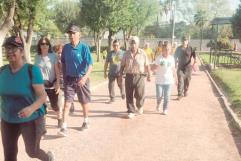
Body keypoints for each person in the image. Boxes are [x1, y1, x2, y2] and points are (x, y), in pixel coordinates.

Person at [0, 36, 54, 161]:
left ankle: (48, 158)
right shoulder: (2, 72)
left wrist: (31, 108)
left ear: (22, 52)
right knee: (9, 155)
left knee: (32, 151)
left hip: (30, 119)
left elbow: (42, 96)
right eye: (7, 48)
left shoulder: (32, 70)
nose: (9, 51)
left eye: (14, 48)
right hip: (8, 119)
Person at [58, 25, 93, 136]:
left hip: (82, 79)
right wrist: (64, 77)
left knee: (84, 102)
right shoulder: (66, 48)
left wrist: (84, 78)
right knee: (67, 103)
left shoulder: (84, 47)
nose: (71, 35)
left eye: (73, 33)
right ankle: (64, 127)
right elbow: (63, 63)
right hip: (69, 79)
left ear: (79, 34)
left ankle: (86, 121)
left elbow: (90, 65)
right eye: (70, 33)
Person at [119, 36, 151, 119]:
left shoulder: (143, 53)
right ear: (130, 44)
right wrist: (120, 76)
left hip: (139, 76)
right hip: (129, 76)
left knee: (140, 94)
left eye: (135, 43)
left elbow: (147, 65)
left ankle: (140, 106)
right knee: (129, 94)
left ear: (138, 44)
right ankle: (131, 111)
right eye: (131, 43)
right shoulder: (126, 53)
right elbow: (122, 65)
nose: (133, 45)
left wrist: (149, 75)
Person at [35, 37, 61, 127]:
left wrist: (58, 83)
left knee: (54, 105)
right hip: (41, 85)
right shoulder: (37, 56)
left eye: (46, 44)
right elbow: (36, 71)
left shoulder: (53, 55)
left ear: (49, 45)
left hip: (52, 85)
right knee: (43, 106)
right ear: (40, 45)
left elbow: (57, 71)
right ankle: (43, 125)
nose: (44, 45)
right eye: (42, 44)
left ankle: (59, 118)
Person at [151, 41, 176, 115]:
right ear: (162, 50)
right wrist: (150, 71)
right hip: (159, 81)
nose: (167, 51)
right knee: (159, 96)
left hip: (168, 81)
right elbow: (154, 67)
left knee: (167, 96)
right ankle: (158, 104)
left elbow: (173, 69)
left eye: (168, 49)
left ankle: (165, 109)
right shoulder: (159, 58)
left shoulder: (171, 58)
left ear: (170, 50)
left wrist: (176, 78)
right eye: (165, 49)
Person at [53, 44, 75, 115]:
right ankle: (60, 111)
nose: (59, 54)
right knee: (60, 96)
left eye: (61, 52)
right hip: (60, 80)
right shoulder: (55, 60)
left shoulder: (68, 60)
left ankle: (71, 107)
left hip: (68, 80)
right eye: (58, 53)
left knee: (68, 95)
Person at [174, 36, 196, 100]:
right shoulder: (178, 48)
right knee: (180, 80)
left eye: (185, 40)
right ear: (181, 41)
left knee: (187, 81)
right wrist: (175, 63)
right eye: (183, 40)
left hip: (188, 68)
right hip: (180, 67)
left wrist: (195, 59)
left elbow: (194, 54)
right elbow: (175, 56)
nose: (184, 41)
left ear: (187, 41)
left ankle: (185, 90)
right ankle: (180, 94)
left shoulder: (190, 48)